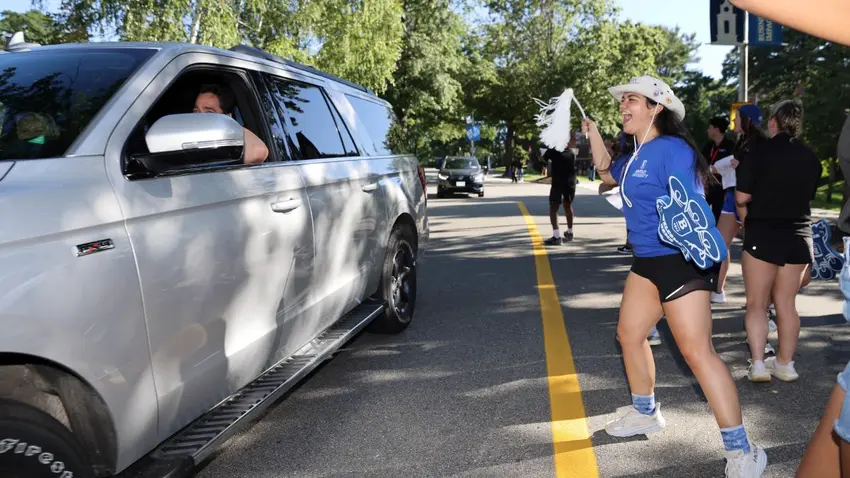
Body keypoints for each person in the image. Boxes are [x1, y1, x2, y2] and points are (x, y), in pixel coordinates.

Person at [583, 75, 766, 477]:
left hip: (681, 261)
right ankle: (645, 412)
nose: (623, 106)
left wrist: (697, 234)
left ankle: (742, 449)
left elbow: (689, 200)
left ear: (656, 107)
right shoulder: (634, 155)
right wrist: (593, 133)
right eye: (622, 101)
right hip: (647, 262)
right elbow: (607, 175)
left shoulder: (672, 149)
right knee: (629, 335)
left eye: (632, 99)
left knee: (697, 353)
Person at [735, 100, 822, 383]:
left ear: (773, 122)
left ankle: (759, 364)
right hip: (798, 237)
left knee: (757, 305)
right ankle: (785, 363)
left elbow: (741, 197)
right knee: (786, 304)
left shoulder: (759, 153)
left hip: (763, 233)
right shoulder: (811, 157)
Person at [193, 83, 269, 165]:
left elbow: (258, 151)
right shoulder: (184, 142)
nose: (199, 117)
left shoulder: (229, 152)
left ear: (227, 118)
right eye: (196, 111)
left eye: (209, 113)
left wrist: (230, 123)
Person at [704, 116, 737, 224]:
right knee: (701, 215)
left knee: (718, 218)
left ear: (716, 130)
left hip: (723, 189)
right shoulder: (708, 147)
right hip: (707, 188)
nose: (707, 130)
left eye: (710, 127)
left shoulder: (730, 146)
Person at [543, 147, 577, 245]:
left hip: (558, 182)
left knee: (554, 207)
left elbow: (544, 158)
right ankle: (569, 232)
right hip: (571, 182)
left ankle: (556, 236)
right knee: (568, 205)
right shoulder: (571, 152)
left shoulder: (553, 150)